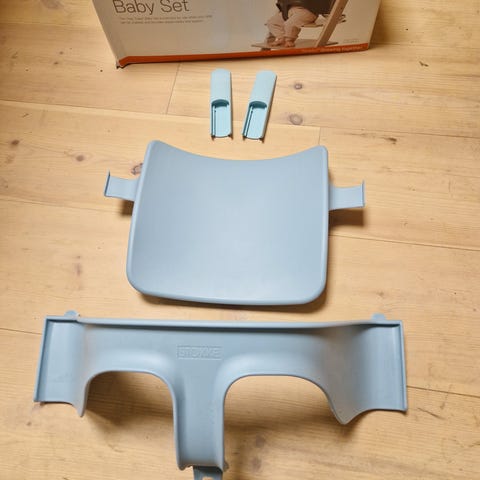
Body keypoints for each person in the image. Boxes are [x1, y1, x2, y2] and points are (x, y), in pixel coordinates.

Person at [266, 0, 334, 47]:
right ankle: (281, 38)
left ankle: (289, 40)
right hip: (289, 9)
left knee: (290, 23)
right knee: (272, 22)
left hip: (308, 11)